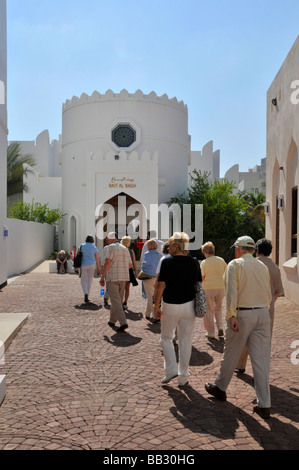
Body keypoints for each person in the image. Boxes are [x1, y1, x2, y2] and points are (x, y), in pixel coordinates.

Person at [205, 235, 272, 420]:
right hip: (262, 313)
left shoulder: (235, 264)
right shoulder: (262, 266)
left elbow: (231, 291)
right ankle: (264, 404)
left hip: (243, 314)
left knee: (231, 353)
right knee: (261, 360)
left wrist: (231, 315)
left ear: (239, 249)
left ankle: (220, 388)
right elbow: (267, 293)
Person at [154, 232, 202, 387]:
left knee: (166, 338)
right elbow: (198, 283)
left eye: (170, 244)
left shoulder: (167, 261)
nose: (168, 247)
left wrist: (156, 305)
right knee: (185, 341)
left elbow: (160, 285)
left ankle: (171, 369)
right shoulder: (194, 261)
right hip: (189, 305)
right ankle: (183, 376)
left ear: (176, 245)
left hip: (171, 304)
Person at [235, 238, 284, 373]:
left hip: (249, 305)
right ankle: (263, 368)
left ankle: (240, 364)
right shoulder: (275, 268)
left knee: (245, 336)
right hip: (268, 308)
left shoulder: (251, 264)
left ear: (257, 250)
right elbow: (277, 292)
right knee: (265, 338)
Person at [100, 232, 132, 332]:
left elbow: (107, 262)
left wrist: (102, 277)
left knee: (115, 301)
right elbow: (130, 265)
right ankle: (112, 320)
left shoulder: (111, 247)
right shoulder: (124, 248)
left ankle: (123, 322)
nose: (106, 240)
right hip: (123, 277)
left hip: (113, 277)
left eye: (106, 239)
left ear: (111, 239)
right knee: (117, 300)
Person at [200, 241, 227, 339]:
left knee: (209, 310)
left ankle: (211, 332)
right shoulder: (221, 260)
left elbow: (202, 277)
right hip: (221, 288)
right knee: (218, 308)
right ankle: (220, 326)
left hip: (208, 288)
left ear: (205, 252)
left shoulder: (204, 262)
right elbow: (226, 273)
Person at [141, 239, 162, 321]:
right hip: (157, 277)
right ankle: (147, 313)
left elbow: (143, 264)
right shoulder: (160, 255)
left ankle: (155, 315)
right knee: (153, 295)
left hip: (148, 277)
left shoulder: (147, 254)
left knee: (150, 296)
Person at [80, 235, 100, 303]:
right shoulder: (94, 247)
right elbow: (97, 258)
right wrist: (98, 268)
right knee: (90, 279)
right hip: (92, 264)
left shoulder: (81, 246)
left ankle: (85, 293)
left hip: (83, 264)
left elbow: (77, 255)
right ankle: (87, 295)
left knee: (83, 279)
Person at [121, 235, 137, 310]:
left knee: (121, 288)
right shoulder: (131, 251)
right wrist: (135, 271)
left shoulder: (119, 250)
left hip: (121, 270)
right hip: (129, 270)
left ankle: (121, 302)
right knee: (127, 288)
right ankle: (125, 302)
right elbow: (134, 262)